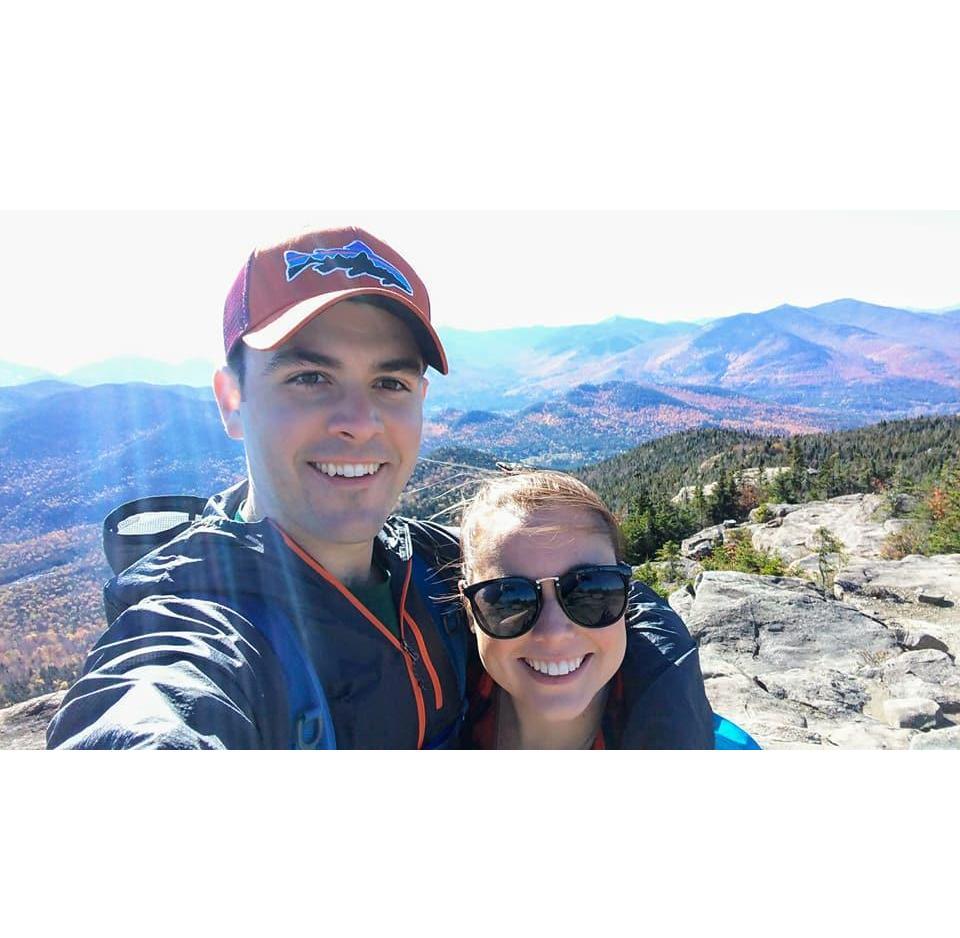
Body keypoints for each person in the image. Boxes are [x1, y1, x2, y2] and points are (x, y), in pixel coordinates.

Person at [46, 224, 714, 749]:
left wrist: (668, 721)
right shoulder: (203, 625)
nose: (359, 423)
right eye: (309, 377)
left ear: (420, 399)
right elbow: (152, 711)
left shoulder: (425, 565)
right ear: (230, 399)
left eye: (389, 383)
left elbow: (590, 584)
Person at [459, 470, 692, 748]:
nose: (554, 632)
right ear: (470, 610)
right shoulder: (422, 718)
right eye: (508, 599)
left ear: (627, 596)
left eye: (590, 591)